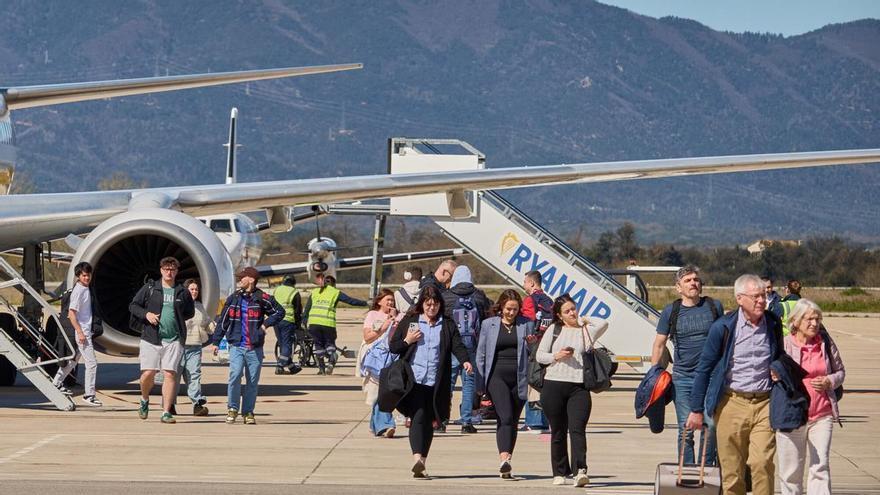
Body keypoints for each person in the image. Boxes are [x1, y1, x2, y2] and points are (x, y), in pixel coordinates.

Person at [687, 274, 784, 495]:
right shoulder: (723, 327)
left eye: (764, 296)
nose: (762, 301)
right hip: (731, 402)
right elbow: (704, 368)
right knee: (732, 472)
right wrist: (696, 409)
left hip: (764, 403)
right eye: (756, 296)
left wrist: (779, 368)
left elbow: (779, 354)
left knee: (762, 463)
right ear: (740, 299)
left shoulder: (772, 323)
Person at [389, 286, 472, 479]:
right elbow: (394, 347)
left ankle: (422, 462)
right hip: (414, 379)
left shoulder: (447, 324)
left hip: (436, 381)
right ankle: (416, 458)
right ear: (422, 305)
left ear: (440, 305)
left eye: (435, 304)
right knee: (418, 416)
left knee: (429, 421)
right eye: (428, 304)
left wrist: (465, 360)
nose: (431, 308)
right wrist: (408, 340)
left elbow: (457, 345)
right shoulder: (411, 322)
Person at [650, 265, 723, 465]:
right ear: (678, 287)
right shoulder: (671, 311)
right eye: (688, 280)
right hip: (682, 379)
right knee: (686, 429)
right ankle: (688, 472)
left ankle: (706, 472)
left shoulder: (714, 307)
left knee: (711, 426)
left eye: (696, 280)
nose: (693, 283)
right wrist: (652, 376)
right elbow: (659, 344)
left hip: (710, 378)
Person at [536, 294, 609, 487]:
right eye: (567, 311)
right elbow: (540, 356)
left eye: (573, 309)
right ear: (559, 315)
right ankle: (559, 472)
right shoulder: (554, 329)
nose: (572, 313)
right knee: (558, 431)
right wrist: (557, 356)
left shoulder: (585, 331)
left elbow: (603, 323)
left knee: (577, 429)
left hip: (579, 387)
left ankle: (581, 470)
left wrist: (584, 319)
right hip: (553, 384)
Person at [776, 299, 845, 495]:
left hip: (821, 415)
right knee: (790, 471)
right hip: (792, 416)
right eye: (809, 319)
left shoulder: (826, 343)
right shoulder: (784, 345)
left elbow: (840, 371)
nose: (814, 323)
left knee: (820, 466)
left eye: (817, 319)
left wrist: (829, 381)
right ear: (795, 321)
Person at [211, 266, 284, 425]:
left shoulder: (262, 298)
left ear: (251, 279)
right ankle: (232, 408)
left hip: (255, 348)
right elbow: (224, 321)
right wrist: (216, 341)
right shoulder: (233, 298)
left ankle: (248, 412)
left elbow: (279, 312)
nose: (239, 280)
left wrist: (265, 325)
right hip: (237, 345)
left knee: (252, 381)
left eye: (242, 277)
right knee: (235, 376)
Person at [475, 289, 535, 479]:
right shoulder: (489, 324)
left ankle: (507, 460)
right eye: (509, 308)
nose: (511, 312)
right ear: (501, 307)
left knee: (512, 421)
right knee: (506, 416)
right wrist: (481, 382)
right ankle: (503, 458)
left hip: (519, 377)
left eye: (515, 309)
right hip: (496, 376)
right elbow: (481, 354)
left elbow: (533, 354)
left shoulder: (526, 325)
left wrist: (532, 344)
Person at [129, 257, 194, 424]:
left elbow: (189, 312)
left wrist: (176, 321)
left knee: (170, 374)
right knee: (148, 374)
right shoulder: (151, 288)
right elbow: (134, 306)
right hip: (151, 338)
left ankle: (166, 411)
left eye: (172, 269)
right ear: (161, 270)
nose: (169, 272)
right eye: (166, 269)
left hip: (173, 339)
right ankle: (144, 399)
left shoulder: (182, 291)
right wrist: (147, 315)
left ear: (177, 271)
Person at [442, 265, 491, 433]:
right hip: (472, 347)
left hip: (452, 347)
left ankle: (442, 419)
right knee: (468, 384)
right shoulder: (479, 296)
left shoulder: (446, 297)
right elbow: (486, 318)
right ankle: (466, 421)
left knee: (447, 384)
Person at [52, 261, 102, 406]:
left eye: (89, 275)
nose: (87, 278)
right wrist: (80, 332)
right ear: (78, 276)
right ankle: (89, 394)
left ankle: (56, 382)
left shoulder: (86, 289)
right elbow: (71, 314)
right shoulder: (79, 291)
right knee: (92, 363)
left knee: (73, 361)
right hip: (82, 333)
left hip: (85, 332)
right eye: (84, 275)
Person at [303, 273, 367, 375]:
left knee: (318, 345)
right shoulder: (335, 292)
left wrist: (304, 322)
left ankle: (321, 369)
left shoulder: (314, 292)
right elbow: (351, 301)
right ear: (333, 284)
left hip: (314, 323)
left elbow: (307, 309)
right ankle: (332, 360)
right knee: (330, 344)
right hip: (328, 323)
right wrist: (366, 303)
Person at [359, 288, 401, 438]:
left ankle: (376, 425)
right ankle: (386, 424)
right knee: (378, 393)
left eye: (392, 300)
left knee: (385, 391)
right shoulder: (372, 315)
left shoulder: (398, 316)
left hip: (390, 358)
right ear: (379, 301)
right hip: (374, 359)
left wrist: (396, 320)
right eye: (387, 300)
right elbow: (367, 336)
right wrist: (383, 327)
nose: (390, 303)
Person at [520, 269, 553, 433]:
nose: (524, 285)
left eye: (525, 282)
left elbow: (528, 323)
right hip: (547, 346)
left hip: (533, 346)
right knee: (544, 381)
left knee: (532, 381)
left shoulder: (529, 300)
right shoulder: (549, 301)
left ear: (532, 283)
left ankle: (533, 421)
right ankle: (545, 419)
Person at [177, 279, 212, 416]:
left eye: (196, 289)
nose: (194, 291)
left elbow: (207, 322)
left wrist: (215, 328)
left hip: (195, 345)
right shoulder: (178, 304)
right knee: (174, 376)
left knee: (194, 375)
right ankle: (170, 404)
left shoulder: (199, 306)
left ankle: (197, 404)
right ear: (185, 290)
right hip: (179, 346)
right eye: (192, 289)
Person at [272, 275, 303, 375]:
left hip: (276, 320)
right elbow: (298, 310)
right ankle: (280, 365)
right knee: (287, 345)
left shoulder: (277, 290)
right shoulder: (294, 292)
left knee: (282, 344)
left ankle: (292, 367)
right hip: (287, 321)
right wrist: (298, 324)